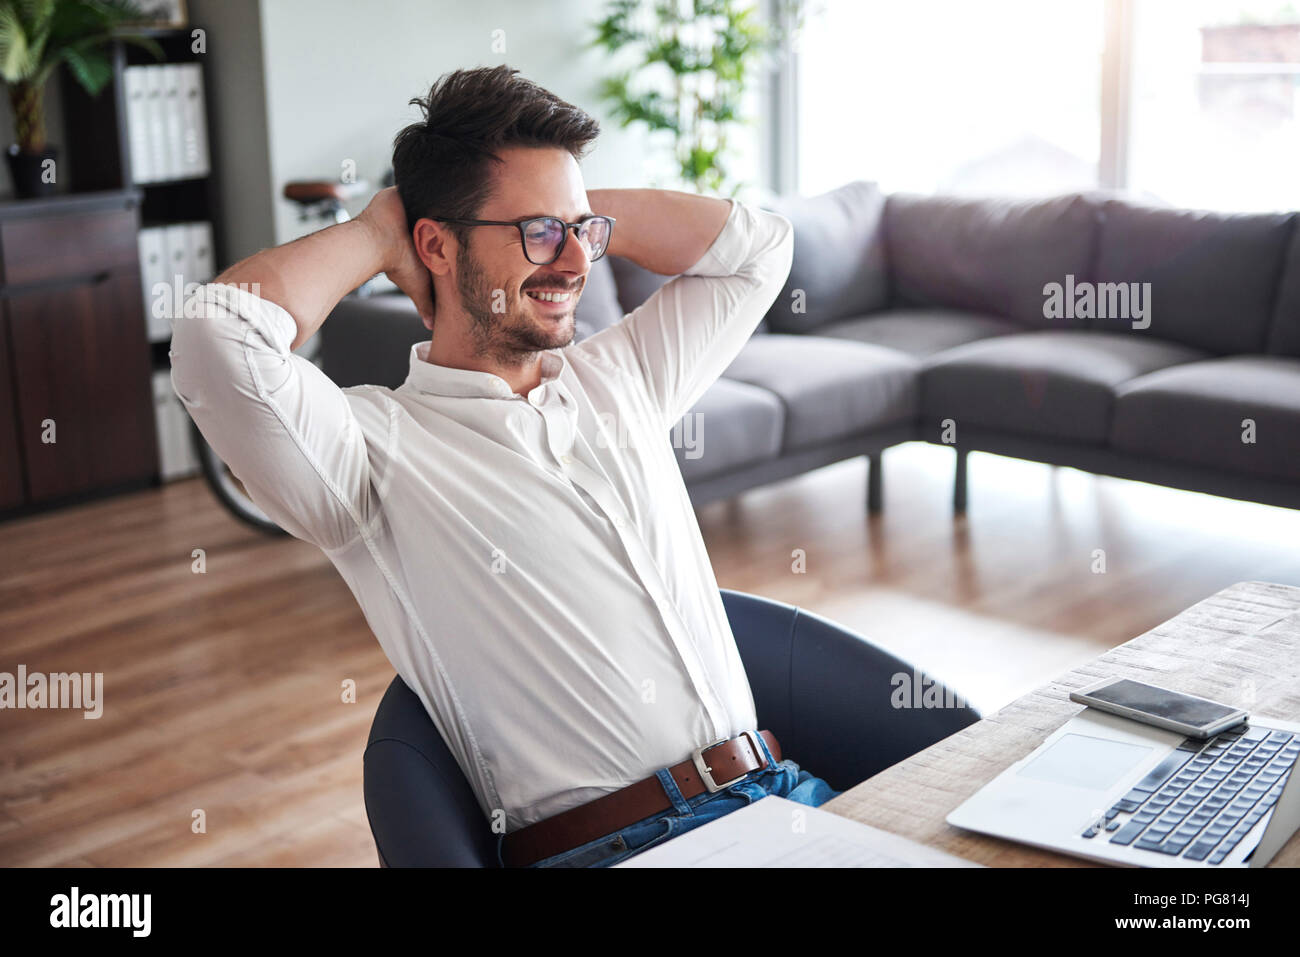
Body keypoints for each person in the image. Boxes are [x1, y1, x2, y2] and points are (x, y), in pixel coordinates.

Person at [170, 64, 838, 868]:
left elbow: (759, 249)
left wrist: (576, 216)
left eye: (581, 233)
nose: (576, 265)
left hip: (789, 800)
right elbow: (215, 337)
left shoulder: (620, 378)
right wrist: (379, 229)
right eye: (537, 233)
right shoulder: (368, 453)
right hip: (620, 850)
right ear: (436, 245)